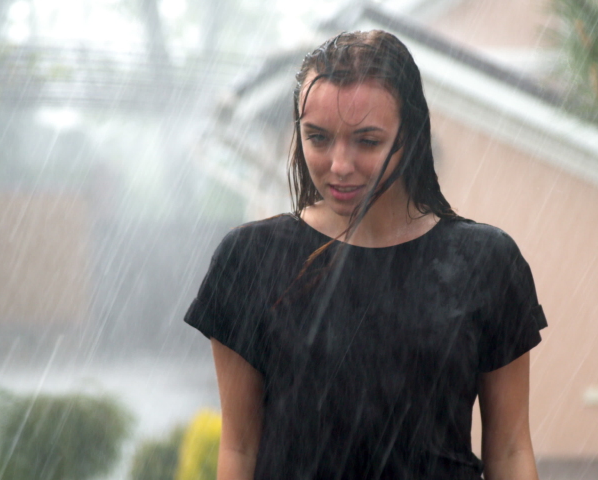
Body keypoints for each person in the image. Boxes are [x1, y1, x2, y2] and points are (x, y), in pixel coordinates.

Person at [185, 30, 547, 480]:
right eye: (317, 138)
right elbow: (239, 447)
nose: (339, 164)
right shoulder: (249, 259)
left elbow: (510, 450)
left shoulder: (486, 263)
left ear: (411, 135)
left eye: (367, 141)